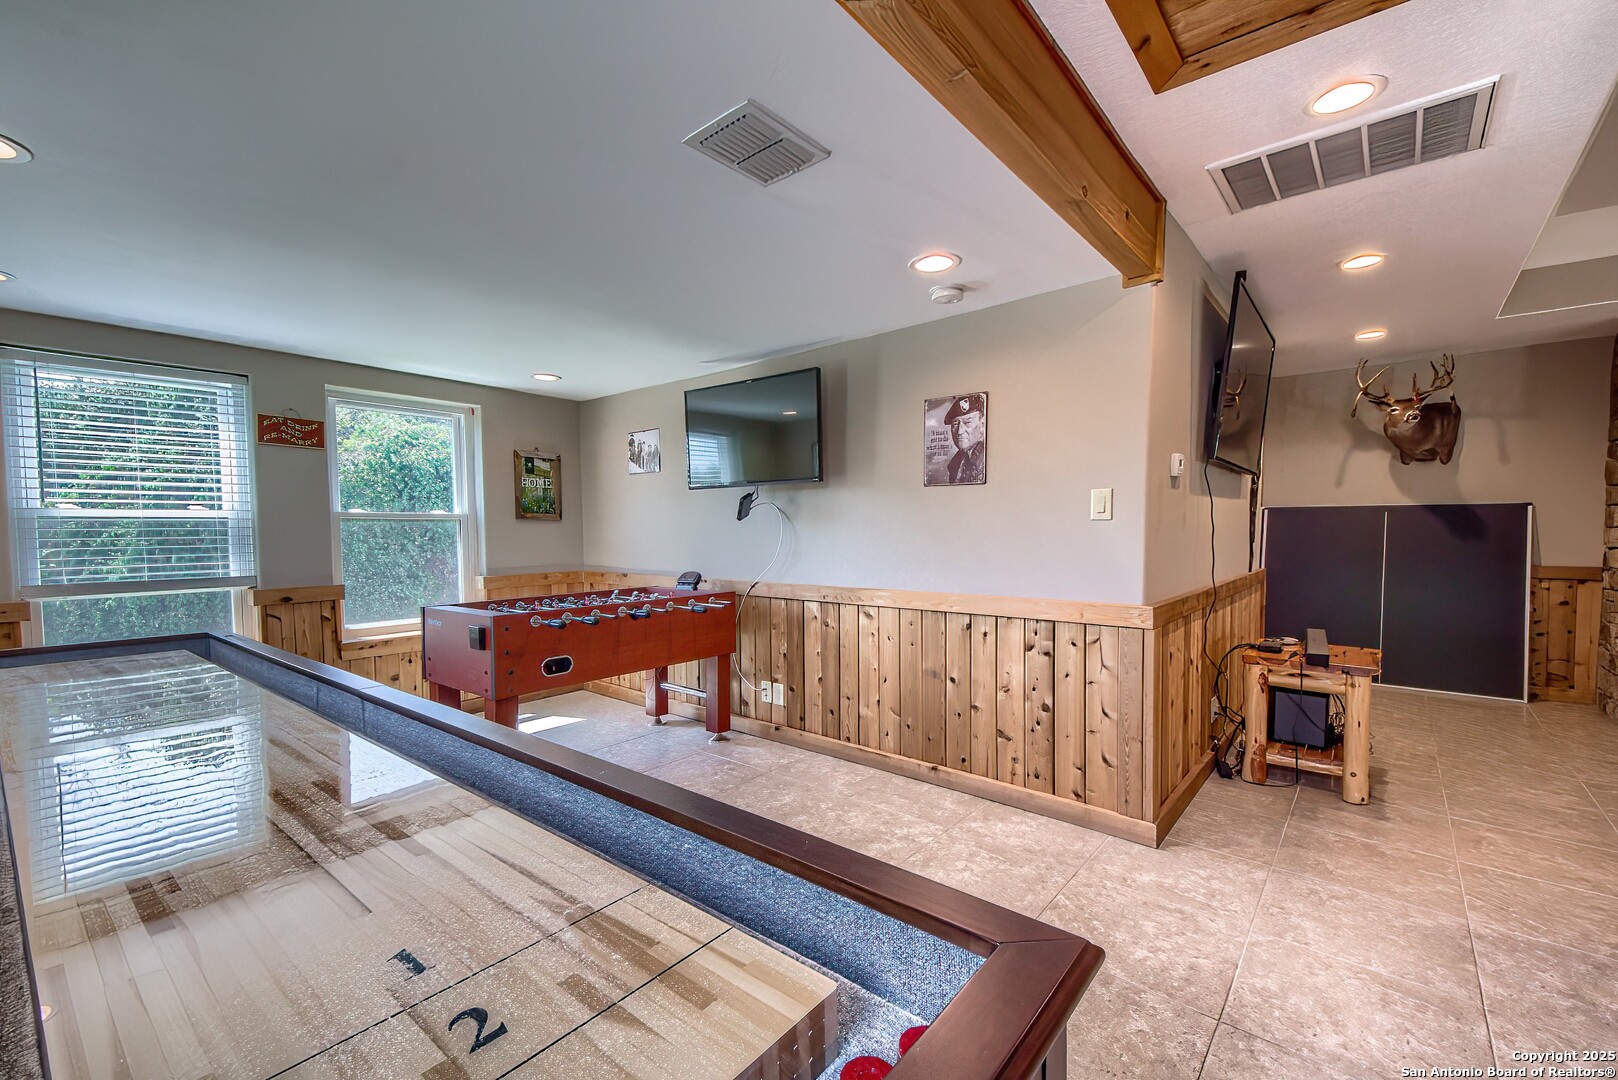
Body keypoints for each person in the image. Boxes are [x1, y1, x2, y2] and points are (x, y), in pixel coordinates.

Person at [943, 393, 986, 484]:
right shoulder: (956, 462)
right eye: (955, 424)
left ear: (982, 426)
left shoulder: (986, 459)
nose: (959, 431)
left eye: (967, 422)